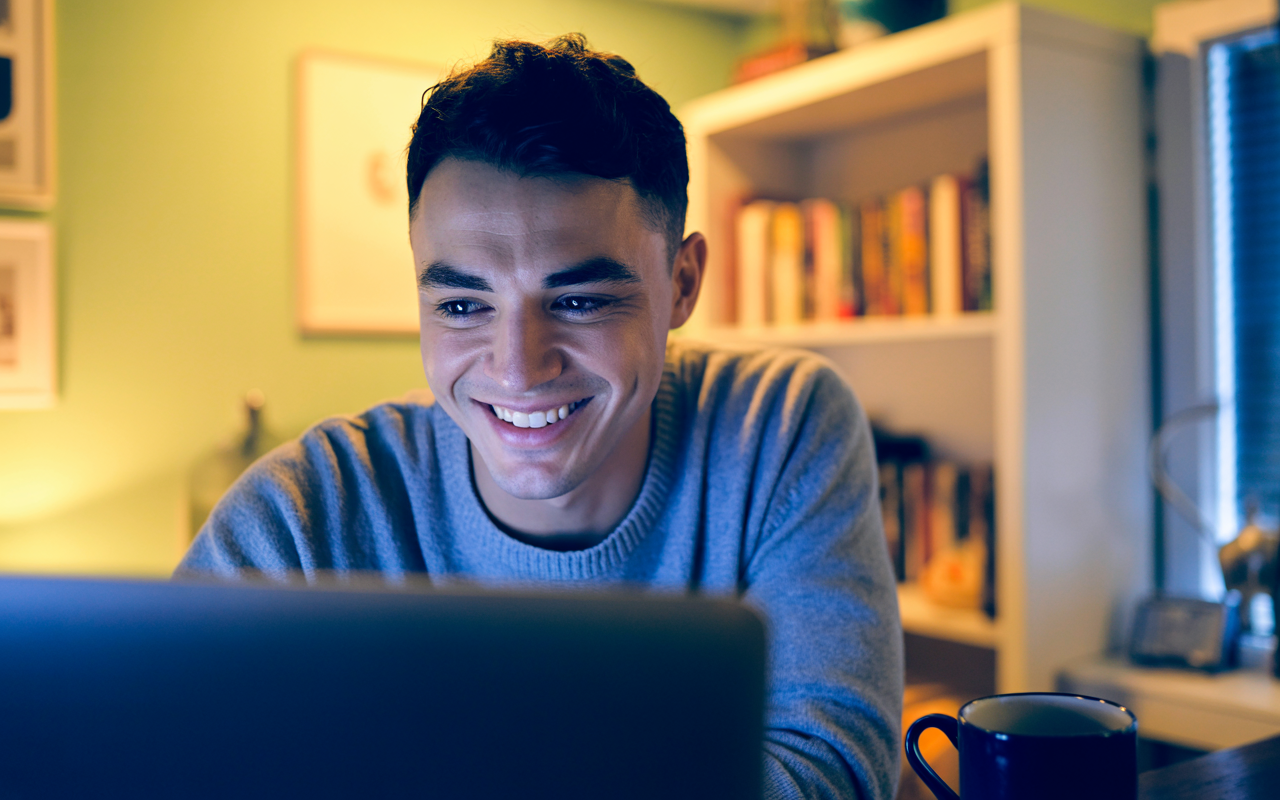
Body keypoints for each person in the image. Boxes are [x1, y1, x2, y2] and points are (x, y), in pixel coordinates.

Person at [178, 34, 902, 800]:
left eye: (580, 301)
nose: (517, 368)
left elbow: (832, 775)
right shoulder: (302, 516)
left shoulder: (779, 427)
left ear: (682, 282)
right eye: (462, 305)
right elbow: (152, 755)